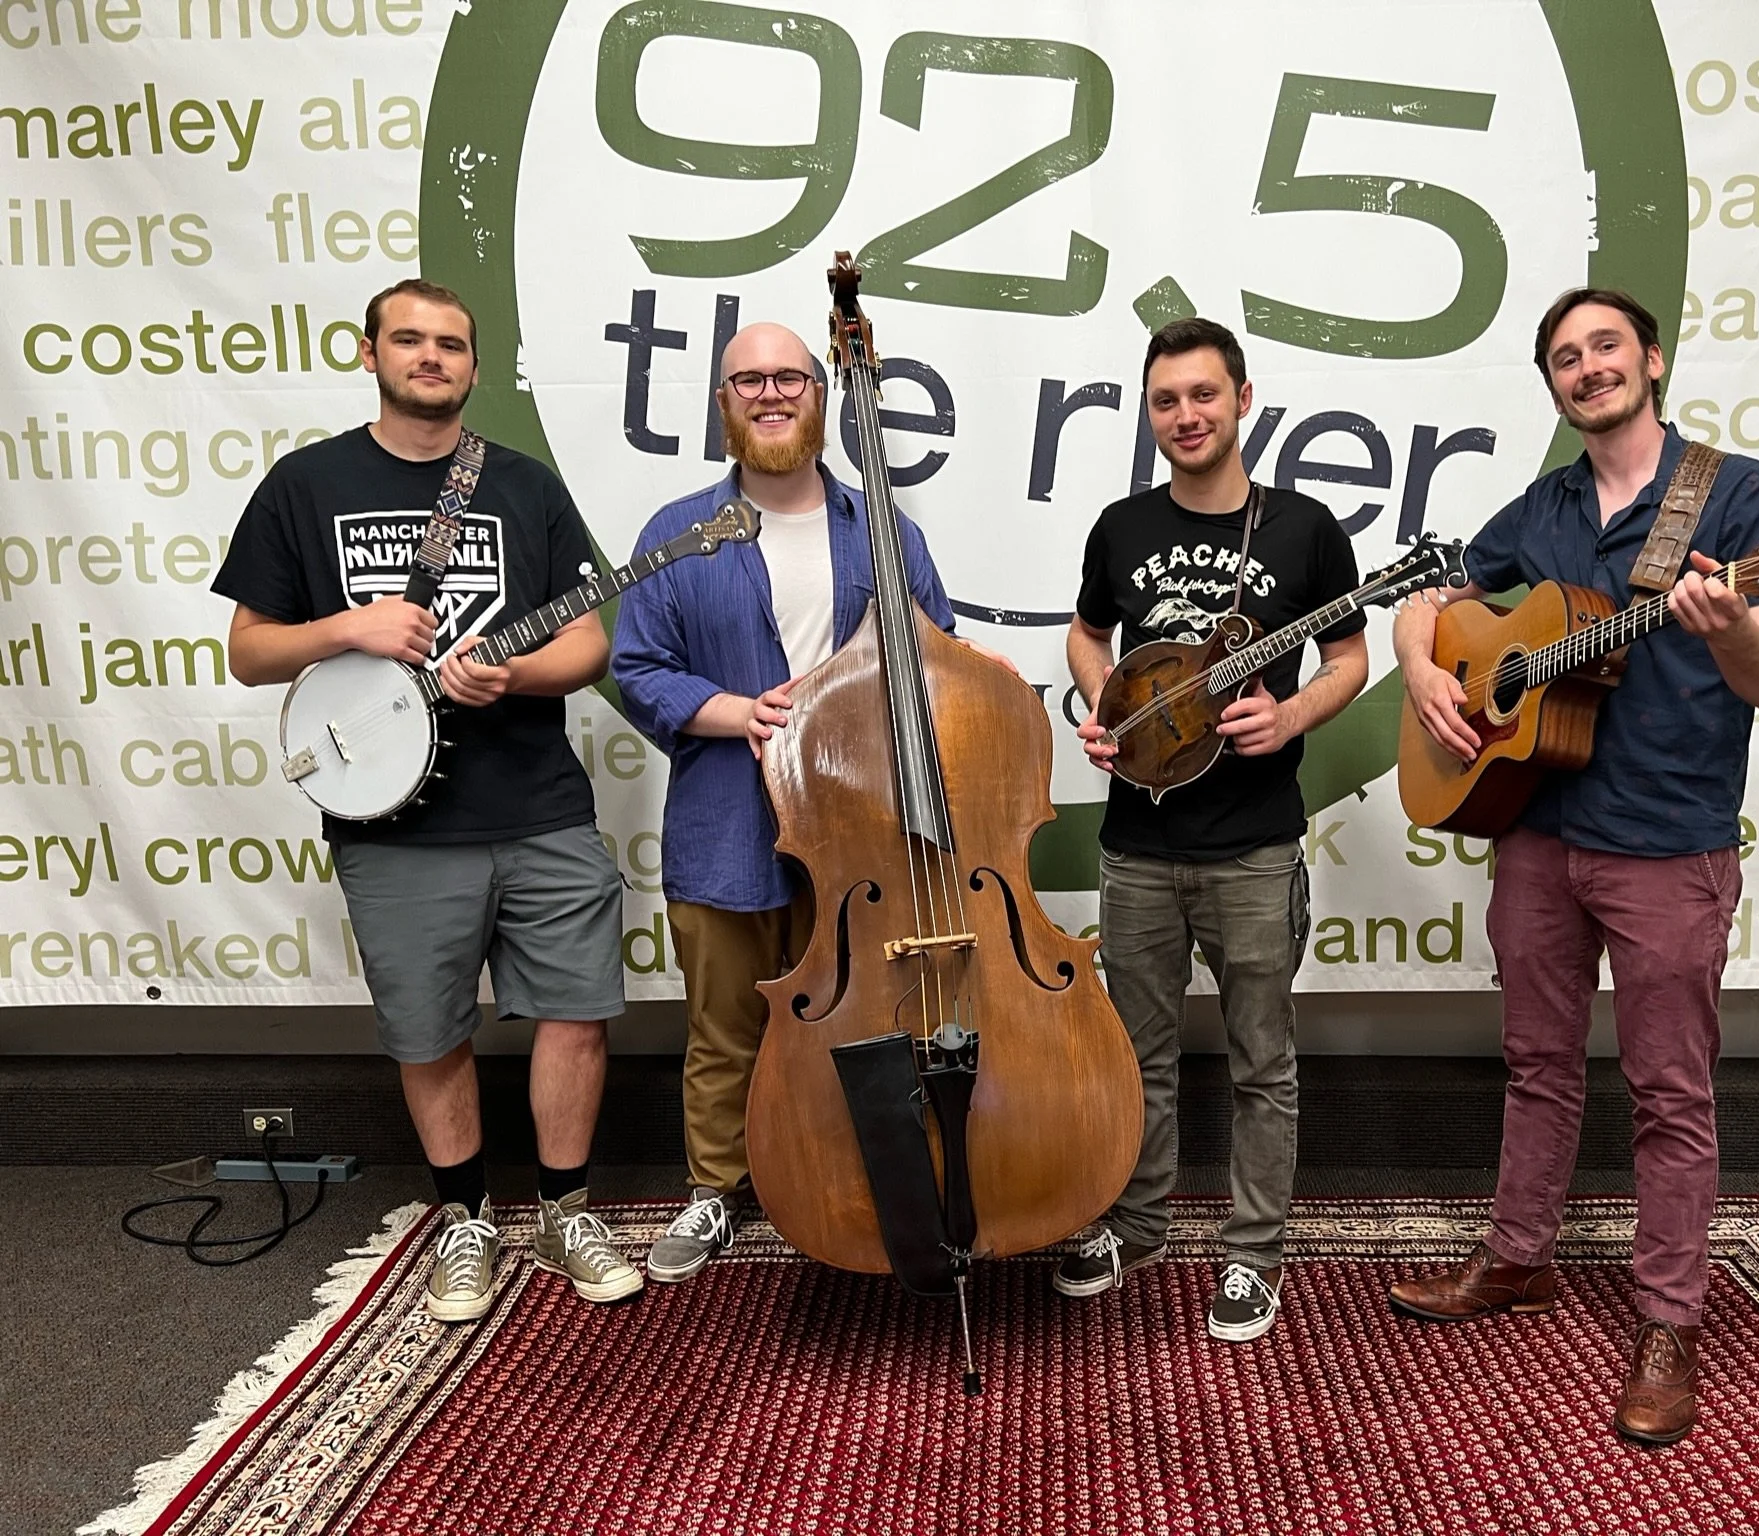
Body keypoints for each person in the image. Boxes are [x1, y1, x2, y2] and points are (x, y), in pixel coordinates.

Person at [1386, 288, 1759, 1445]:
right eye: (1565, 358)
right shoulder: (1547, 504)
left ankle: (1670, 1322)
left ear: (1652, 360)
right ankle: (1519, 1258)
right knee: (1536, 1063)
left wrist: (1728, 628)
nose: (1587, 368)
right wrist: (1422, 668)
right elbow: (1436, 602)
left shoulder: (1740, 494)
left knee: (1671, 1094)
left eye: (1605, 347)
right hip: (1539, 833)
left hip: (1670, 839)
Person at [214, 278, 640, 1322]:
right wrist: (344, 630)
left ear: (475, 367)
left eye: (451, 343)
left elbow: (587, 638)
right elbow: (248, 651)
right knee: (427, 1029)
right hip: (394, 823)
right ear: (370, 354)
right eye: (409, 339)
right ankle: (464, 1219)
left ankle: (565, 1210)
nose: (431, 356)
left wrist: (519, 675)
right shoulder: (304, 486)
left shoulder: (526, 488)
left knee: (577, 1013)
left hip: (540, 802)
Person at [613, 320, 979, 1281]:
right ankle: (713, 1195)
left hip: (862, 831)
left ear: (819, 395)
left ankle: (859, 1183)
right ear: (723, 404)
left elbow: (934, 654)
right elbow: (636, 665)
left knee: (860, 1017)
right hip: (726, 820)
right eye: (748, 382)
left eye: (788, 378)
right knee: (726, 1023)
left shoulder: (885, 530)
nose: (770, 394)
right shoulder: (674, 535)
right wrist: (734, 710)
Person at [1056, 317, 1370, 1342]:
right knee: (1133, 1056)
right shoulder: (1118, 526)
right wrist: (1109, 709)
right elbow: (1086, 633)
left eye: (1202, 394)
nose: (1185, 415)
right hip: (1137, 846)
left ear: (1242, 398)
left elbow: (1350, 661)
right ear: (1149, 415)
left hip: (1253, 844)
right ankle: (1135, 1224)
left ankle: (1251, 1256)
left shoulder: (1305, 529)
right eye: (1165, 401)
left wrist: (1287, 718)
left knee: (1259, 1062)